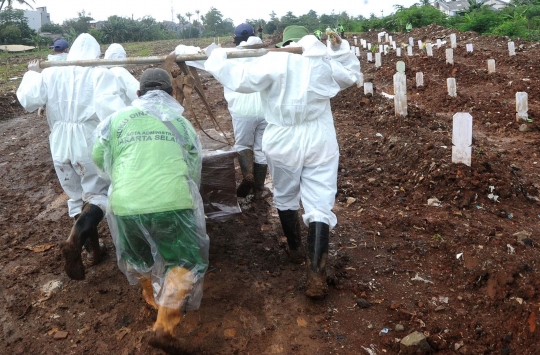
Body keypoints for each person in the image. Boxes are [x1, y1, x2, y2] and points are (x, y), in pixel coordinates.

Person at [205, 25, 360, 298]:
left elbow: (239, 78)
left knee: (286, 194)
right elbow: (351, 75)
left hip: (282, 138)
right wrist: (338, 48)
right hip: (319, 137)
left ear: (284, 40)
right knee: (320, 202)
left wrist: (216, 57)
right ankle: (316, 274)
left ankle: (294, 249)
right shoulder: (320, 60)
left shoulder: (273, 60)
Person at [92, 68, 209, 353]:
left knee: (138, 256)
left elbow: (98, 157)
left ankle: (151, 295)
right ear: (171, 94)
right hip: (174, 201)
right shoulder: (180, 123)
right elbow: (194, 168)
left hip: (126, 203)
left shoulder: (114, 121)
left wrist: (128, 181)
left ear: (138, 94)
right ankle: (164, 325)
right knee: (183, 261)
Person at [16, 33, 126, 280]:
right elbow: (114, 111)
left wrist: (32, 73)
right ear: (95, 54)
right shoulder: (99, 72)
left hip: (59, 143)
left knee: (76, 196)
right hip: (87, 141)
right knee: (99, 196)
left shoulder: (51, 72)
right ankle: (76, 238)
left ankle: (93, 252)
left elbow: (28, 101)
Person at [229, 24, 268, 197]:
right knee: (261, 148)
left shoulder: (229, 56)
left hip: (242, 111)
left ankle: (248, 176)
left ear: (235, 39)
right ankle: (259, 186)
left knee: (243, 144)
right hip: (265, 109)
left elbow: (202, 57)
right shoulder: (266, 54)